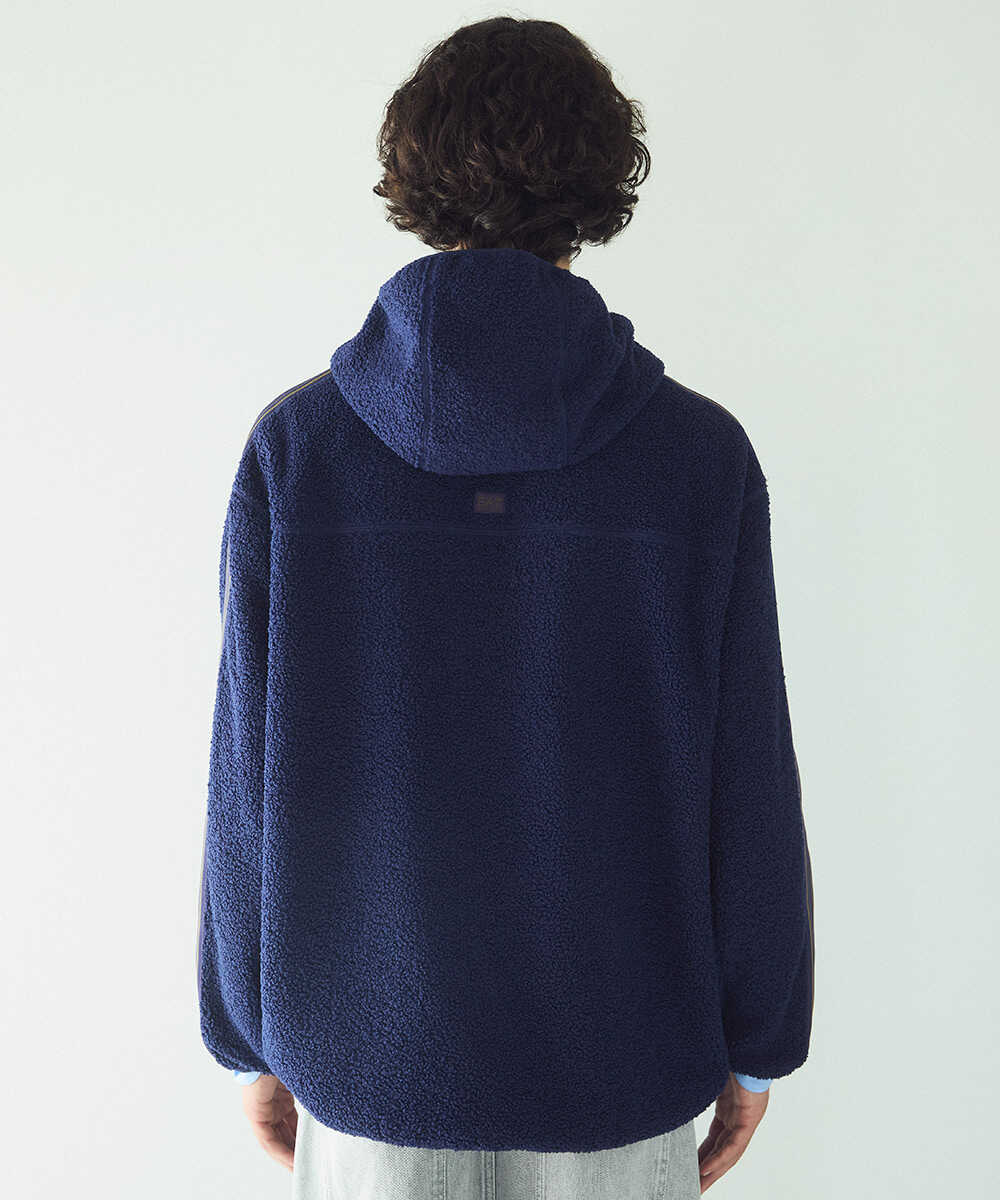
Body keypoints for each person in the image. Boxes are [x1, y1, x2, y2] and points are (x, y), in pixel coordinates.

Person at [196, 16, 814, 1199]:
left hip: (367, 1072)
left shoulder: (300, 452)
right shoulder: (696, 457)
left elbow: (247, 780)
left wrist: (248, 1030)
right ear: (598, 185)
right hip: (620, 1066)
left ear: (413, 178)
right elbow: (747, 775)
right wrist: (758, 1038)